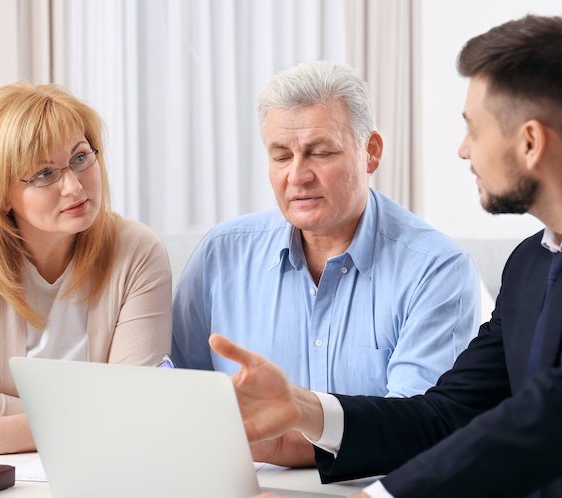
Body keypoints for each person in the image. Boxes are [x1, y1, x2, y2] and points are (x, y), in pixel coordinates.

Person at [188, 15, 562, 498]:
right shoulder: (528, 264)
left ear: (530, 142)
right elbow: (445, 415)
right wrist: (306, 409)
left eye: (473, 129)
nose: (464, 150)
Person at [172, 61, 480, 466]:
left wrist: (284, 444)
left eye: (320, 152)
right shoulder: (221, 254)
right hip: (236, 493)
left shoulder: (436, 270)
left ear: (370, 152)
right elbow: (179, 394)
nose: (297, 176)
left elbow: (418, 431)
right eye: (281, 156)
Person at [0, 83, 172, 455]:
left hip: (104, 471)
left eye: (80, 158)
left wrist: (2, 432)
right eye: (45, 174)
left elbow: (138, 408)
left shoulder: (137, 250)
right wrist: (100, 410)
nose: (75, 187)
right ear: (0, 195)